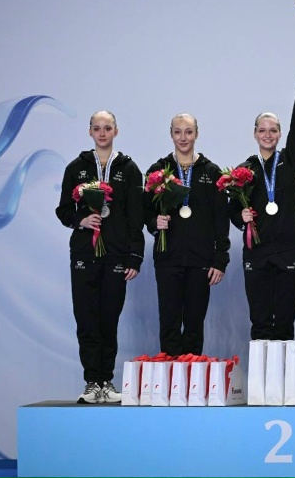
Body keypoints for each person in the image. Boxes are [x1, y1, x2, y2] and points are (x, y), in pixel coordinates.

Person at [56, 110, 145, 404]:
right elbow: (63, 210)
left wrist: (134, 257)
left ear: (116, 131)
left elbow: (136, 217)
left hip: (116, 255)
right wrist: (80, 221)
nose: (102, 133)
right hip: (84, 254)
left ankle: (106, 381)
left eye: (107, 128)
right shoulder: (76, 168)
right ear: (90, 132)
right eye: (97, 128)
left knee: (109, 320)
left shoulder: (129, 169)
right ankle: (91, 382)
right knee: (86, 319)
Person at [228, 59, 295, 341]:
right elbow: (232, 210)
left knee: (285, 323)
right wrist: (240, 217)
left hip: (289, 250)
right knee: (261, 322)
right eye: (262, 130)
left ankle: (284, 372)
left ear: (279, 134)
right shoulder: (244, 170)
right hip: (257, 252)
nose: (268, 135)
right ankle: (262, 372)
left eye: (273, 130)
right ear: (255, 134)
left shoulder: (289, 160)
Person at [144, 113, 230, 357]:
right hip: (167, 257)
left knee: (194, 323)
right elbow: (145, 210)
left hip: (200, 259)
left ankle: (191, 375)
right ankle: (170, 374)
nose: (183, 137)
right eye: (178, 132)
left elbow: (221, 219)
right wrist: (154, 222)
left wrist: (220, 259)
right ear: (171, 134)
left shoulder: (211, 172)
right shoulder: (157, 171)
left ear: (197, 134)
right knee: (169, 321)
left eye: (188, 132)